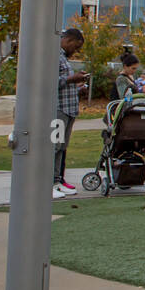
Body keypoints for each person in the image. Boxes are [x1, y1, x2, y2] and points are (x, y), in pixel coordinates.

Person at [54, 27, 89, 198]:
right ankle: (50, 182)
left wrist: (77, 87)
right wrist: (71, 79)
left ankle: (57, 180)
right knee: (54, 146)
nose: (75, 52)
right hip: (59, 109)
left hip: (68, 109)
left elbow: (64, 83)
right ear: (68, 40)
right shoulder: (54, 55)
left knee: (61, 146)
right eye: (75, 47)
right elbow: (50, 81)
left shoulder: (63, 58)